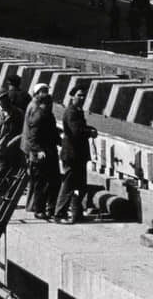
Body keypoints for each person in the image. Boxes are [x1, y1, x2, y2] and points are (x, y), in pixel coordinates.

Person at [52, 87, 95, 223]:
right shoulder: (71, 112)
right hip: (72, 155)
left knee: (80, 186)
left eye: (83, 96)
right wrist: (90, 132)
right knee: (69, 185)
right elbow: (76, 131)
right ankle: (59, 214)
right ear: (72, 97)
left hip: (78, 155)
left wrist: (89, 129)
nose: (82, 98)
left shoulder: (77, 111)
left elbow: (80, 128)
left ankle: (77, 213)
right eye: (79, 95)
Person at [21, 83, 59, 218]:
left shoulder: (46, 114)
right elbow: (32, 137)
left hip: (47, 151)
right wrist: (38, 150)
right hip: (40, 153)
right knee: (41, 182)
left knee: (46, 181)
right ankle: (39, 209)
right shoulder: (38, 114)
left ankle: (44, 208)